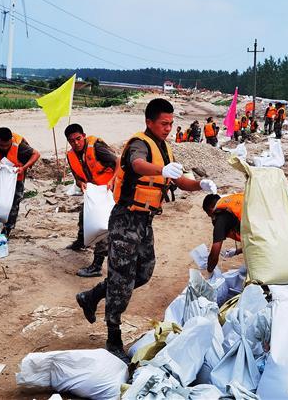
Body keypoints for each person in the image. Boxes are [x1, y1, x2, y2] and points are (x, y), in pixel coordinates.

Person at [76, 98, 217, 361]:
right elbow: (138, 165)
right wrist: (161, 169)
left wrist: (200, 185)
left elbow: (179, 180)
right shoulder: (139, 145)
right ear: (149, 121)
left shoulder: (165, 149)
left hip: (145, 222)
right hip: (125, 219)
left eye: (171, 124)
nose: (168, 128)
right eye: (164, 123)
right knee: (121, 279)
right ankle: (113, 337)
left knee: (142, 272)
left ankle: (92, 295)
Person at [64, 124, 118, 277]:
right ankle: (81, 241)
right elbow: (77, 176)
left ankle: (96, 266)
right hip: (94, 192)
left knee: (102, 226)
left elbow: (118, 162)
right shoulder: (71, 155)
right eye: (72, 141)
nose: (76, 143)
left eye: (78, 139)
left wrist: (112, 181)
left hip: (109, 191)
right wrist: (80, 183)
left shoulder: (96, 148)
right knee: (84, 216)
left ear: (84, 136)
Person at [0, 127, 41, 238]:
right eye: (2, 146)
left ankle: (8, 228)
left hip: (17, 175)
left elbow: (36, 154)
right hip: (0, 175)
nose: (5, 148)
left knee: (14, 201)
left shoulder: (20, 146)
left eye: (7, 145)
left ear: (11, 140)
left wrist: (24, 168)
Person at [202, 193, 244, 274]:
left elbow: (215, 253)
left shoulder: (220, 218)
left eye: (210, 216)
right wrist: (237, 251)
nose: (212, 219)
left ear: (211, 210)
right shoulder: (233, 201)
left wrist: (210, 270)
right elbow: (254, 239)